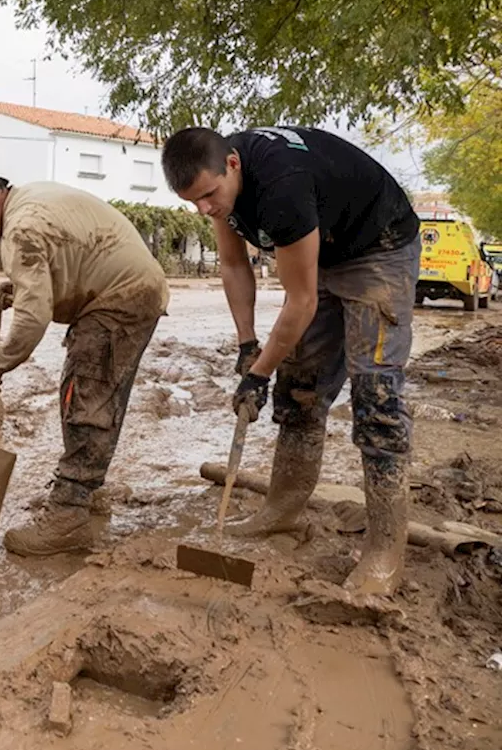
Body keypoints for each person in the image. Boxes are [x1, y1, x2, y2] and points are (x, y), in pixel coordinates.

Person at [162, 126, 421, 595]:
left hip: (379, 247)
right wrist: (247, 345)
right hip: (324, 249)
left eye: (208, 196)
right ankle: (280, 510)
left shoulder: (283, 186)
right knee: (300, 384)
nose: (203, 209)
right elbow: (233, 263)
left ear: (233, 164)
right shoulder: (218, 184)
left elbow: (300, 302)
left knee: (376, 397)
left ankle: (385, 549)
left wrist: (258, 376)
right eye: (192, 202)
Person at [0, 165, 169, 556]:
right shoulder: (29, 200)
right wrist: (17, 289)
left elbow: (33, 320)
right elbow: (64, 263)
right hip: (127, 289)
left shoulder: (21, 229)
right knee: (85, 393)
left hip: (118, 299)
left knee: (87, 400)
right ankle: (85, 491)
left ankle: (68, 517)